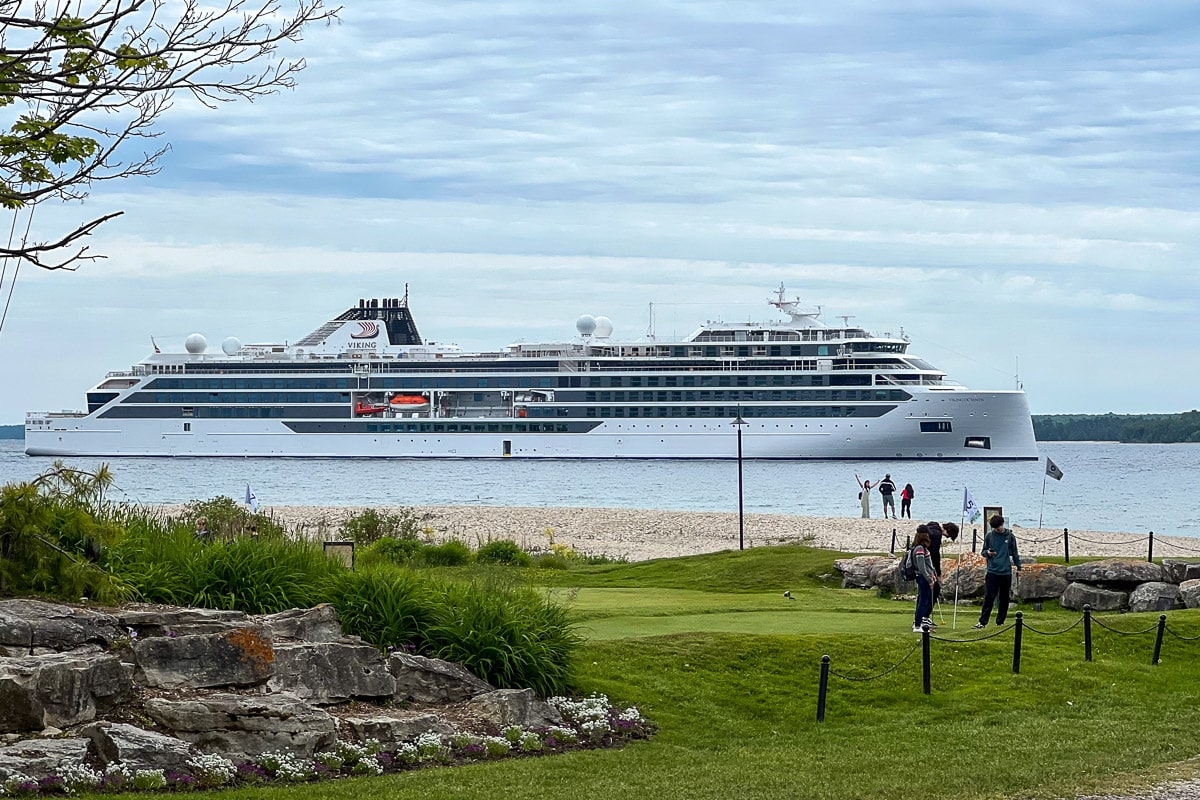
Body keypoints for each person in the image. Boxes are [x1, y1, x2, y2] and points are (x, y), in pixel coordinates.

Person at [974, 515, 1022, 628]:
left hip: (1006, 571)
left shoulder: (1010, 536)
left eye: (998, 527)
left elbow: (1014, 552)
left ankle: (1000, 622)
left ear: (1002, 524)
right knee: (989, 597)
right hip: (992, 571)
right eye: (995, 528)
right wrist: (988, 554)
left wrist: (1018, 567)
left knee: (1004, 598)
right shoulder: (989, 536)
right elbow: (983, 551)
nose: (997, 529)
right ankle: (982, 622)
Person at [909, 527, 938, 632]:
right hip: (923, 578)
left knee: (922, 600)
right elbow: (922, 567)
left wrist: (933, 574)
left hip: (924, 577)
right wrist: (929, 580)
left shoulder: (921, 548)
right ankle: (917, 625)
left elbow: (928, 565)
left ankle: (918, 623)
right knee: (923, 602)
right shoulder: (920, 549)